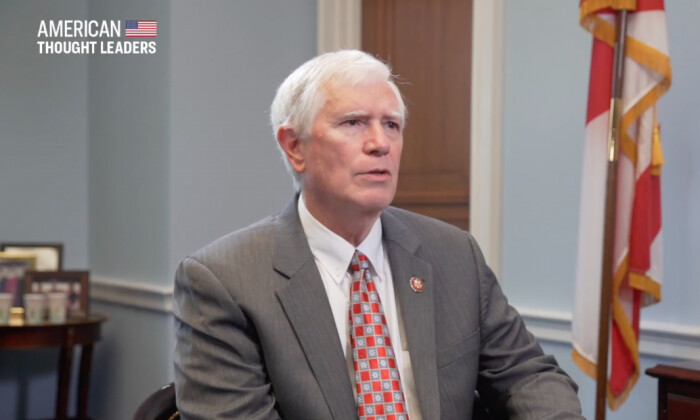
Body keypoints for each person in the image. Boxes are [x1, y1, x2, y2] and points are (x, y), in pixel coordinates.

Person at [173, 50, 583, 419]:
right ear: (294, 146)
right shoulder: (224, 281)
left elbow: (529, 377)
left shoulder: (453, 253)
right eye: (353, 123)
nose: (380, 143)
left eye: (392, 125)